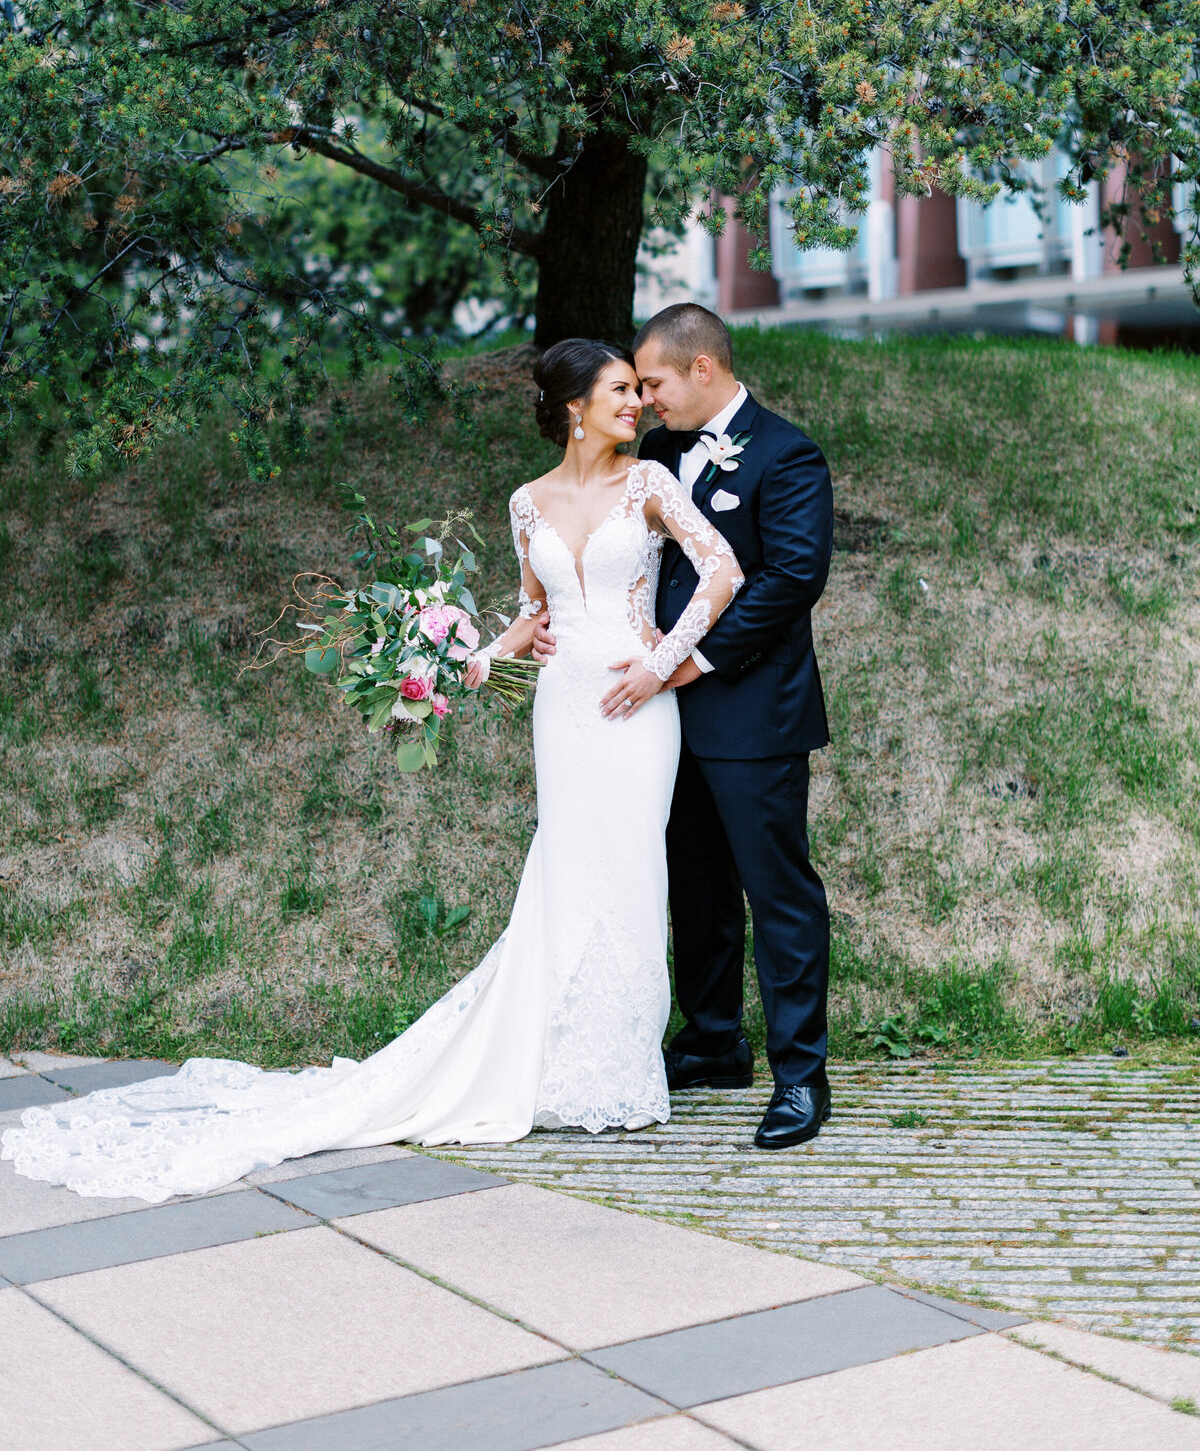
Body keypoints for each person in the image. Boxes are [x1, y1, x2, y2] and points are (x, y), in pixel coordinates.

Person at [1, 339, 741, 1204]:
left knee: (629, 869)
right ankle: (560, 1063)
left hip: (634, 700)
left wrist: (665, 663)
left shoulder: (650, 484)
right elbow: (537, 610)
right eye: (620, 391)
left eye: (637, 392)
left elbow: (721, 569)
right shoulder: (527, 503)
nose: (639, 405)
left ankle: (618, 1070)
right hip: (565, 707)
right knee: (567, 871)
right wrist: (477, 655)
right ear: (573, 407)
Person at [541, 304, 834, 1149]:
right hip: (658, 719)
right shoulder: (659, 455)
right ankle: (712, 1042)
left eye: (654, 383)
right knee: (697, 891)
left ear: (700, 369)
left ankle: (801, 1079)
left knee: (777, 892)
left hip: (750, 709)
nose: (645, 401)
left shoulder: (789, 455)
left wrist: (690, 662)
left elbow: (788, 581)